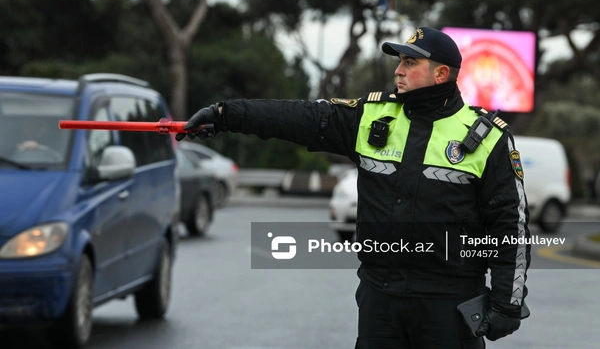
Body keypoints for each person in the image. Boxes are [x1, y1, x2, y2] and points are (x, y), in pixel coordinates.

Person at [176, 27, 531, 349]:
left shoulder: (487, 139)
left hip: (449, 307)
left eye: (410, 62)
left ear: (441, 74)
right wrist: (225, 114)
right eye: (399, 61)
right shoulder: (370, 117)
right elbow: (298, 118)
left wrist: (507, 303)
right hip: (380, 301)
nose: (398, 70)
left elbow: (509, 226)